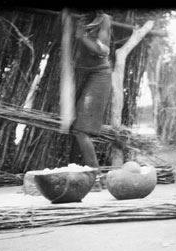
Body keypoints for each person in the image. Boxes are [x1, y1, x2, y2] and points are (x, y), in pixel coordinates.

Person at [72, 11, 112, 191]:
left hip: (99, 75)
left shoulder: (104, 19)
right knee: (76, 128)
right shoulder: (80, 17)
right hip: (82, 75)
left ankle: (96, 178)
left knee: (81, 130)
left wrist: (82, 37)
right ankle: (95, 177)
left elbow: (102, 50)